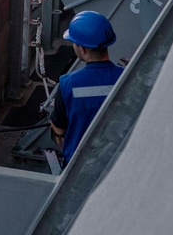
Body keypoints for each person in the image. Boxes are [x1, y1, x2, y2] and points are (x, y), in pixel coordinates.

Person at [49, 11, 124, 164]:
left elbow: (59, 130)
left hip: (79, 164)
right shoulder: (128, 76)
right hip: (118, 160)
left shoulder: (67, 83)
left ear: (82, 49)